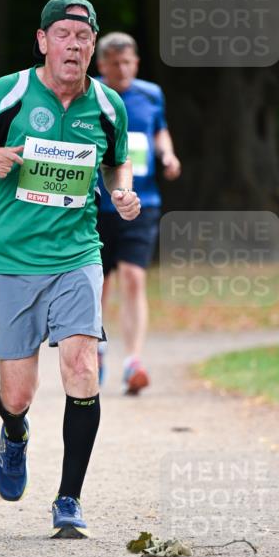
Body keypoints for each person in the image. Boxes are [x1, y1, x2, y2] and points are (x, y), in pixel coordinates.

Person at [0, 0, 140, 539]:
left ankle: (68, 499)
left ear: (93, 47)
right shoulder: (10, 92)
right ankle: (15, 432)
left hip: (77, 255)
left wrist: (122, 193)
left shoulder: (109, 105)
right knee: (18, 393)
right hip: (8, 260)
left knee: (83, 367)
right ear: (43, 40)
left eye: (84, 37)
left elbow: (119, 162)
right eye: (64, 34)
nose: (75, 44)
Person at [95, 32, 181, 394]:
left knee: (133, 277)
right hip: (98, 204)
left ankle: (133, 362)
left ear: (136, 62)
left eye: (128, 62)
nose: (122, 69)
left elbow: (160, 130)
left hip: (142, 201)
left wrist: (168, 154)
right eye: (115, 63)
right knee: (98, 284)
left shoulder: (151, 94)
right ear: (102, 65)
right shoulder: (91, 94)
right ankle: (95, 349)